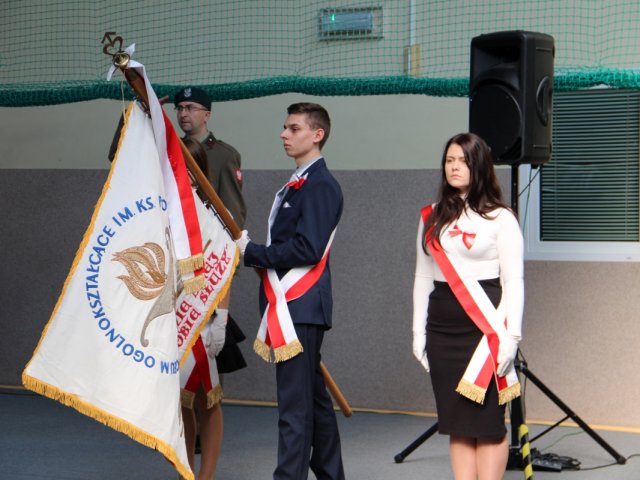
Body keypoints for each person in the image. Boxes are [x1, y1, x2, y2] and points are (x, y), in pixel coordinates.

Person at [235, 102, 345, 480]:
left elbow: (307, 249)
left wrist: (254, 254)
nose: (284, 134)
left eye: (293, 128)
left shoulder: (320, 185)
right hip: (293, 308)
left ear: (317, 135)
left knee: (294, 411)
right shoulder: (301, 182)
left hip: (299, 307)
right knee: (314, 405)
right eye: (284, 127)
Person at [411, 132, 524, 480]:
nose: (454, 167)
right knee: (456, 419)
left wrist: (512, 337)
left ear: (480, 166)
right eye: (449, 160)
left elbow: (513, 281)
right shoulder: (431, 216)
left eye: (462, 160)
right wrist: (417, 331)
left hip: (487, 327)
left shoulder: (501, 218)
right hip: (443, 329)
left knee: (489, 423)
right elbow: (423, 276)